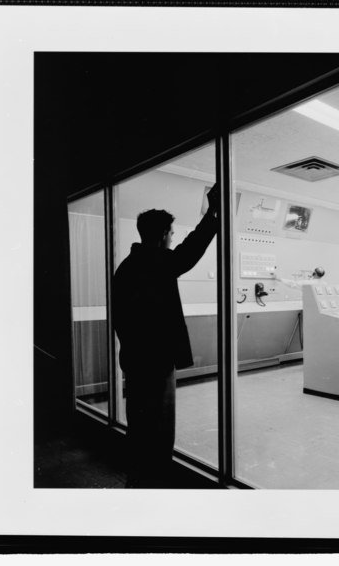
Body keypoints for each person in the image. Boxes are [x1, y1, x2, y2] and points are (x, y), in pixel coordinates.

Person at [112, 184, 219, 488]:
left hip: (133, 359)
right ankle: (155, 482)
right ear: (162, 235)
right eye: (171, 234)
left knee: (140, 422)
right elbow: (190, 250)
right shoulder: (156, 263)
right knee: (159, 427)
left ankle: (139, 477)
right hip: (156, 362)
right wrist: (212, 214)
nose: (173, 239)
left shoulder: (127, 267)